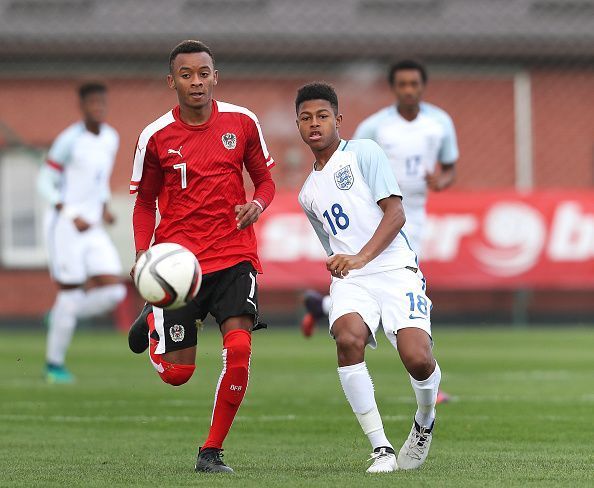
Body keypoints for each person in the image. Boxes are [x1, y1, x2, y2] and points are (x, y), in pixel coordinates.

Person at [127, 40, 275, 474]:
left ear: (216, 77)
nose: (197, 82)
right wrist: (141, 256)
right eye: (187, 75)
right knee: (178, 376)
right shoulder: (155, 136)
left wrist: (258, 206)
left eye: (204, 73)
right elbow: (143, 202)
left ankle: (210, 451)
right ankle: (154, 318)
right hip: (179, 266)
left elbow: (265, 181)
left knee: (240, 348)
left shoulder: (242, 121)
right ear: (171, 81)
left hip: (234, 255)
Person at [296, 82, 441, 473]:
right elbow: (333, 245)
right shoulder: (307, 193)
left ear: (338, 120)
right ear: (298, 124)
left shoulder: (364, 152)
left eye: (323, 116)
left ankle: (425, 420)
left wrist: (360, 257)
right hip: (354, 280)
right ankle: (381, 448)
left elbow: (396, 214)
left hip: (395, 269)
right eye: (306, 118)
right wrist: (341, 263)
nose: (315, 124)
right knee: (348, 338)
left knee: (417, 358)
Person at [301, 60, 458, 405]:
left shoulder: (440, 122)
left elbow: (449, 169)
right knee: (389, 282)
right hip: (382, 212)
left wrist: (441, 181)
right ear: (394, 88)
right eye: (401, 84)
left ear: (422, 86)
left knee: (401, 291)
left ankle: (322, 305)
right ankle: (427, 373)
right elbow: (348, 166)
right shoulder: (374, 128)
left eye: (413, 84)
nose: (408, 90)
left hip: (416, 212)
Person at [37, 82, 126, 384]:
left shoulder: (111, 138)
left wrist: (103, 207)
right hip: (65, 226)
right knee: (70, 292)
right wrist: (72, 214)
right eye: (92, 103)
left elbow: (98, 180)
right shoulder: (68, 141)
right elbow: (44, 184)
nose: (98, 107)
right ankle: (54, 365)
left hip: (93, 226)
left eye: (102, 102)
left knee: (114, 290)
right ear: (82, 106)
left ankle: (63, 315)